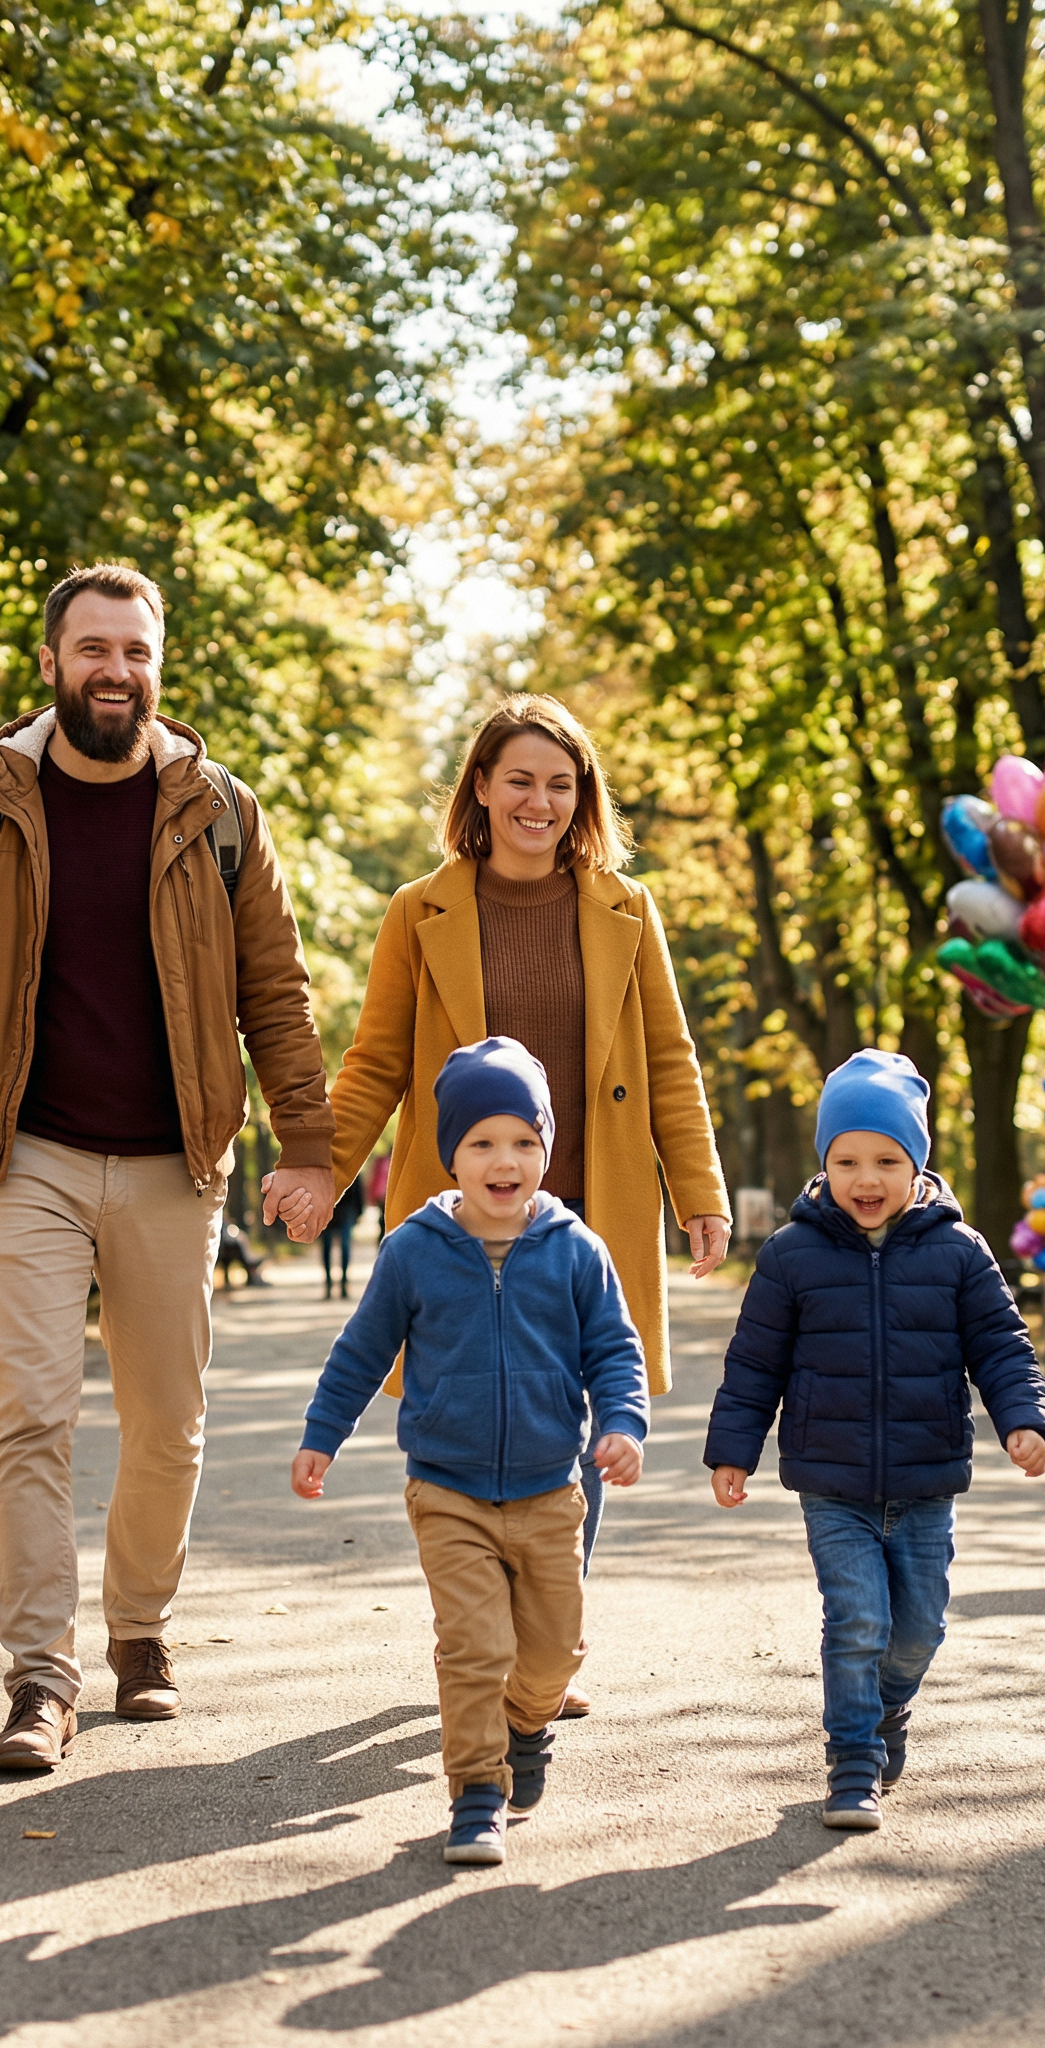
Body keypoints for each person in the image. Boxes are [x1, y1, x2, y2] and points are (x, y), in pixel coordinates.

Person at [0, 563, 336, 1772]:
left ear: (157, 662)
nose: (113, 671)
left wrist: (309, 1143)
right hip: (23, 1156)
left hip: (176, 1160)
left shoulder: (219, 810)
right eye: (91, 650)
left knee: (168, 1423)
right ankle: (40, 1675)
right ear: (51, 663)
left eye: (134, 650)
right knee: (29, 1415)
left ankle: (141, 1634)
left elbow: (273, 990)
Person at [310, 694, 729, 1675]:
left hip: (586, 1214)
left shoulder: (627, 907)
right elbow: (374, 1060)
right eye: (519, 780)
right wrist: (318, 1171)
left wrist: (697, 1191)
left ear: (580, 796)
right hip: (463, 1221)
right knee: (467, 1414)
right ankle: (483, 1620)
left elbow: (668, 1059)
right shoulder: (420, 910)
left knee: (572, 1418)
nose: (538, 801)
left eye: (559, 782)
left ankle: (548, 1628)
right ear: (482, 790)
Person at [291, 1039, 648, 1866]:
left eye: (524, 1141)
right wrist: (322, 1435)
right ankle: (477, 1795)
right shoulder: (416, 1250)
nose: (505, 1160)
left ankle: (528, 1721)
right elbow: (362, 1351)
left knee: (554, 1653)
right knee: (475, 1647)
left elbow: (615, 1351)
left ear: (546, 1152)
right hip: (446, 1488)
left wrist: (622, 1424)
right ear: (451, 1154)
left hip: (550, 1489)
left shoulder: (574, 1248)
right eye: (482, 1142)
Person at [703, 1050, 1045, 1832]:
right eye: (847, 1160)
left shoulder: (960, 1252)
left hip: (927, 1481)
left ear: (919, 1164)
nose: (866, 1178)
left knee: (920, 1624)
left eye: (887, 1160)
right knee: (856, 1618)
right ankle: (853, 1760)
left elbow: (1002, 1346)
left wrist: (1023, 1420)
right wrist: (734, 1449)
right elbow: (755, 1362)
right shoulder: (791, 1256)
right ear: (823, 1163)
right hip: (833, 1485)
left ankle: (890, 1706)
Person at [317, 1164, 366, 1299]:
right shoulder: (324, 1159)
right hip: (326, 1208)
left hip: (347, 1210)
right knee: (326, 1247)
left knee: (345, 1247)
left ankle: (344, 1282)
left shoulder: (350, 1154)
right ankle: (328, 1283)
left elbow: (358, 1185)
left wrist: (359, 1211)